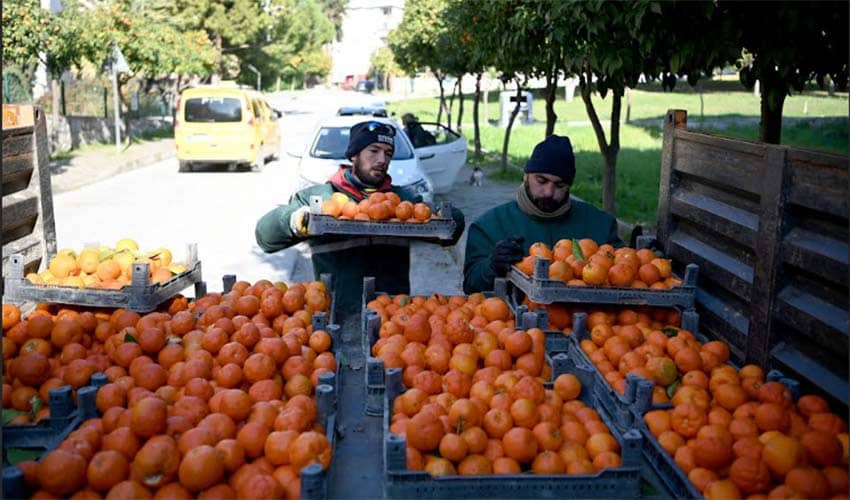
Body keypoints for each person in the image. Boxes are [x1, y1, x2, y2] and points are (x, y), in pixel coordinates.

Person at [255, 120, 465, 314]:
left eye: (388, 153)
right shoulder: (322, 198)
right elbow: (265, 237)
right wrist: (293, 220)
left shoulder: (402, 200)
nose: (382, 160)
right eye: (373, 151)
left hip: (391, 319)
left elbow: (454, 225)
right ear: (354, 155)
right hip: (336, 313)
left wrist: (441, 216)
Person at [463, 134, 623, 293]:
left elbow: (625, 272)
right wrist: (492, 266)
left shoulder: (601, 225)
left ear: (569, 186)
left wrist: (644, 256)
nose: (548, 192)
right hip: (509, 317)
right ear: (526, 176)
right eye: (541, 181)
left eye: (559, 185)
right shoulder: (488, 226)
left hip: (590, 317)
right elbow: (470, 285)